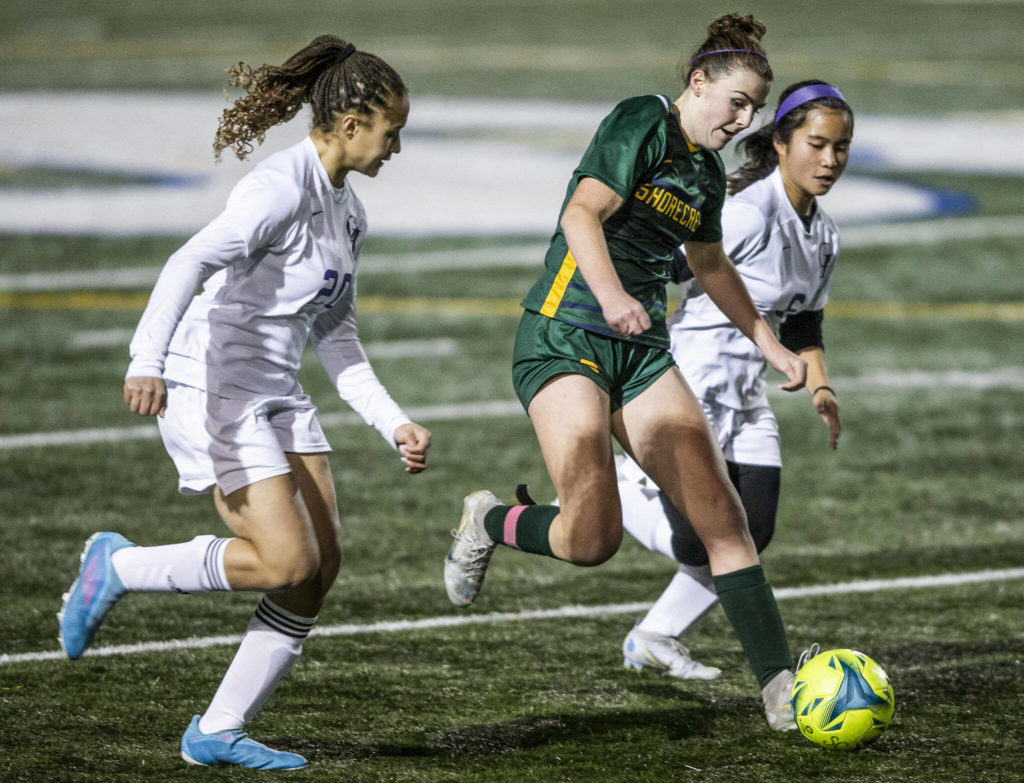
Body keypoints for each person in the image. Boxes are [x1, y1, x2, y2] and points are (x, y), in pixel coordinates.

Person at [57, 35, 431, 770]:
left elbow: (337, 335)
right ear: (353, 125)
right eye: (394, 131)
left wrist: (394, 422)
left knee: (320, 570)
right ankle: (120, 566)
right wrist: (147, 360)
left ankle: (217, 730)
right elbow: (188, 259)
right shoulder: (279, 189)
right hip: (212, 387)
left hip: (276, 392)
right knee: (285, 561)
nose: (397, 147)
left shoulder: (349, 215)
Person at [444, 14, 808, 731]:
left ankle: (780, 689)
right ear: (696, 82)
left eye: (754, 110)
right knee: (591, 539)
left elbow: (708, 264)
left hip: (639, 352)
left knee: (724, 522)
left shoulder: (704, 172)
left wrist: (770, 341)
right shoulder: (643, 119)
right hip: (563, 337)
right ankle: (489, 518)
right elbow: (582, 213)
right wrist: (612, 298)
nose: (743, 119)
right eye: (735, 101)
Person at [616, 80, 853, 681]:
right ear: (780, 143)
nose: (830, 160)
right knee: (706, 543)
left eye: (841, 148)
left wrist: (820, 385)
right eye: (817, 144)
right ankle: (603, 492)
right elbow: (661, 263)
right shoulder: (745, 212)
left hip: (747, 400)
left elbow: (803, 320)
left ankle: (654, 635)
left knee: (754, 531)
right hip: (691, 387)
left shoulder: (824, 234)